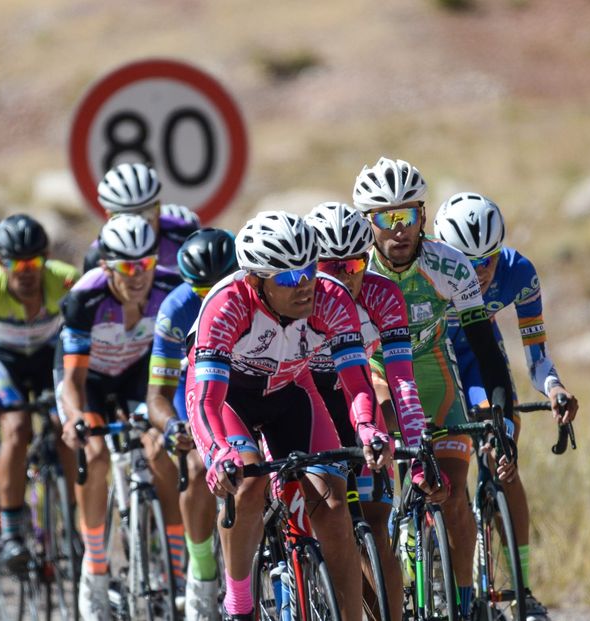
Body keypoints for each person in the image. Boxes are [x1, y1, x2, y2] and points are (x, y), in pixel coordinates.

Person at [185, 211, 393, 621]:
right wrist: (219, 453)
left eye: (307, 270)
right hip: (231, 401)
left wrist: (368, 428)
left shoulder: (330, 298)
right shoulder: (226, 307)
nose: (303, 286)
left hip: (292, 392)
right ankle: (240, 603)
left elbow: (356, 383)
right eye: (285, 278)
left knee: (334, 510)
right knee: (249, 483)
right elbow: (207, 402)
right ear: (254, 282)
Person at [352, 156, 517, 619]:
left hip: (432, 373)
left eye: (409, 214)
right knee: (373, 505)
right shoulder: (355, 274)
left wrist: (502, 412)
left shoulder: (451, 266)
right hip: (378, 374)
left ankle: (463, 605)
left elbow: (486, 350)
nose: (400, 229)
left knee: (455, 492)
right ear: (369, 224)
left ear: (424, 216)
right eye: (388, 218)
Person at [435, 192, 582, 621]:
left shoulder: (518, 273)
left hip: (481, 361)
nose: (480, 272)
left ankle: (522, 586)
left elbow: (536, 355)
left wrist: (554, 388)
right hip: (434, 359)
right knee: (443, 467)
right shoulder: (428, 272)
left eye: (489, 259)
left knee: (504, 457)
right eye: (468, 261)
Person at [304, 201, 434, 621]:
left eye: (356, 262)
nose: (345, 276)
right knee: (317, 522)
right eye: (331, 266)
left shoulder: (382, 295)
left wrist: (417, 453)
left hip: (355, 398)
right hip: (303, 401)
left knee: (375, 528)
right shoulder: (298, 300)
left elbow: (402, 381)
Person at [58, 213, 184, 620]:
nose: (137, 276)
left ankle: (177, 569)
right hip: (88, 378)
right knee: (94, 455)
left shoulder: (169, 287)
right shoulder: (85, 298)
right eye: (126, 268)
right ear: (106, 266)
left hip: (136, 376)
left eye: (144, 264)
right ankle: (95, 568)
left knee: (158, 450)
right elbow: (72, 380)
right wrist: (78, 418)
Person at [0, 214, 79, 575]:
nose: (26, 271)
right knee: (15, 427)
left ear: (44, 259)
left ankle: (71, 524)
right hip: (5, 364)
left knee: (67, 429)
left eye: (34, 262)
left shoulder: (65, 280)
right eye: (17, 263)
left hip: (49, 359)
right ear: (2, 262)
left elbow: (79, 347)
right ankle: (11, 529)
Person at [146, 227, 238, 621]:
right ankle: (201, 575)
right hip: (195, 395)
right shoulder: (174, 310)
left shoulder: (254, 294)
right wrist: (172, 427)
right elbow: (158, 394)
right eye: (202, 291)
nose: (212, 296)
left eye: (220, 284)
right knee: (200, 467)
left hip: (243, 389)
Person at [81, 162, 198, 272]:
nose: (138, 225)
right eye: (127, 217)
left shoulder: (185, 235)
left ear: (158, 209)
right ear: (109, 217)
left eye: (147, 213)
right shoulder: (96, 257)